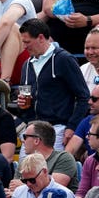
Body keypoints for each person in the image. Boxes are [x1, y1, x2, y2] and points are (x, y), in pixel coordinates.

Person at [18, 18, 90, 151]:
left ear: (40, 37)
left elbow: (84, 97)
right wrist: (23, 104)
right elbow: (25, 98)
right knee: (24, 169)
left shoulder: (64, 59)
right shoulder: (26, 65)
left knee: (50, 170)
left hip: (57, 129)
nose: (24, 46)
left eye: (27, 42)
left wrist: (72, 127)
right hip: (32, 129)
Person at [15, 121, 79, 192]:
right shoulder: (25, 161)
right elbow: (14, 187)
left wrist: (22, 186)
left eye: (25, 137)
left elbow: (53, 189)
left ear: (36, 140)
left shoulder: (64, 158)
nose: (22, 141)